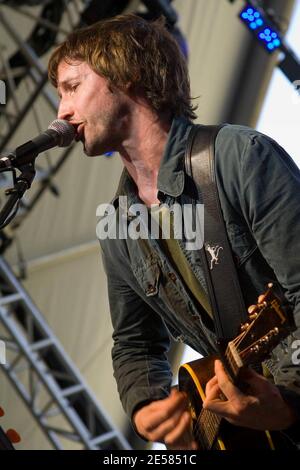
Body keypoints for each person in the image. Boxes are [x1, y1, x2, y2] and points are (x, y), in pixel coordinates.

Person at [48, 14, 300, 450]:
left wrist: (291, 401)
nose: (62, 112)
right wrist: (146, 406)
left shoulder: (239, 157)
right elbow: (134, 344)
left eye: (72, 87)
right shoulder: (118, 224)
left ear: (126, 76)